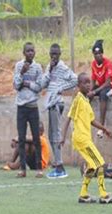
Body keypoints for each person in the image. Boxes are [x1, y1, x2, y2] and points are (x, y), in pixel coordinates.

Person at [61, 73, 112, 204]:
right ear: (78, 85)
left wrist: (104, 129)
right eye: (84, 83)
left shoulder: (86, 101)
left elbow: (92, 120)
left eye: (89, 82)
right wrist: (63, 136)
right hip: (81, 138)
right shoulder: (78, 100)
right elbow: (69, 117)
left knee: (93, 165)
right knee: (100, 162)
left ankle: (83, 194)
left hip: (85, 138)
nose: (88, 85)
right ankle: (103, 194)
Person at [41, 43, 77, 179]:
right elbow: (43, 84)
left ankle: (60, 166)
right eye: (51, 54)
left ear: (60, 54)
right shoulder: (49, 67)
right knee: (50, 134)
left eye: (55, 54)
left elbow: (75, 79)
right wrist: (48, 71)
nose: (53, 56)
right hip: (50, 103)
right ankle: (57, 162)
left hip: (57, 103)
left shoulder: (62, 67)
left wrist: (61, 88)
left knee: (55, 133)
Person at [13, 42, 43, 178]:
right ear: (24, 53)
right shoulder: (19, 66)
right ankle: (23, 169)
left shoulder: (37, 67)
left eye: (32, 51)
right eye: (28, 51)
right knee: (21, 137)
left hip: (33, 107)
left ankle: (39, 168)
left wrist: (27, 83)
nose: (30, 53)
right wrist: (22, 73)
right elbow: (16, 85)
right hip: (21, 107)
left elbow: (39, 86)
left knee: (36, 138)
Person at [87, 40, 112, 132]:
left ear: (102, 53)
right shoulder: (93, 64)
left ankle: (101, 124)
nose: (98, 55)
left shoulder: (108, 63)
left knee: (103, 94)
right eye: (96, 54)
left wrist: (95, 92)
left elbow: (108, 83)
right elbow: (93, 79)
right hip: (100, 85)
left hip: (110, 86)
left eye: (100, 53)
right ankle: (84, 116)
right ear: (93, 55)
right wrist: (90, 91)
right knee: (87, 95)